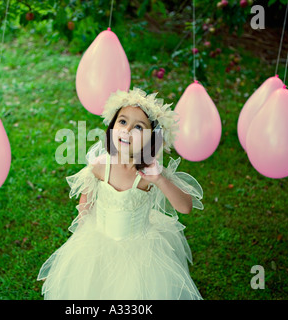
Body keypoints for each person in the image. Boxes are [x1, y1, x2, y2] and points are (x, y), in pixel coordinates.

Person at [37, 87, 204, 299]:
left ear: (152, 139)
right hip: (99, 240)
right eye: (122, 122)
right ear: (112, 127)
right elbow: (85, 205)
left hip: (140, 249)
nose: (127, 130)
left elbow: (185, 207)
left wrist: (159, 180)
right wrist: (82, 236)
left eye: (138, 127)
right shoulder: (100, 166)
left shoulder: (150, 173)